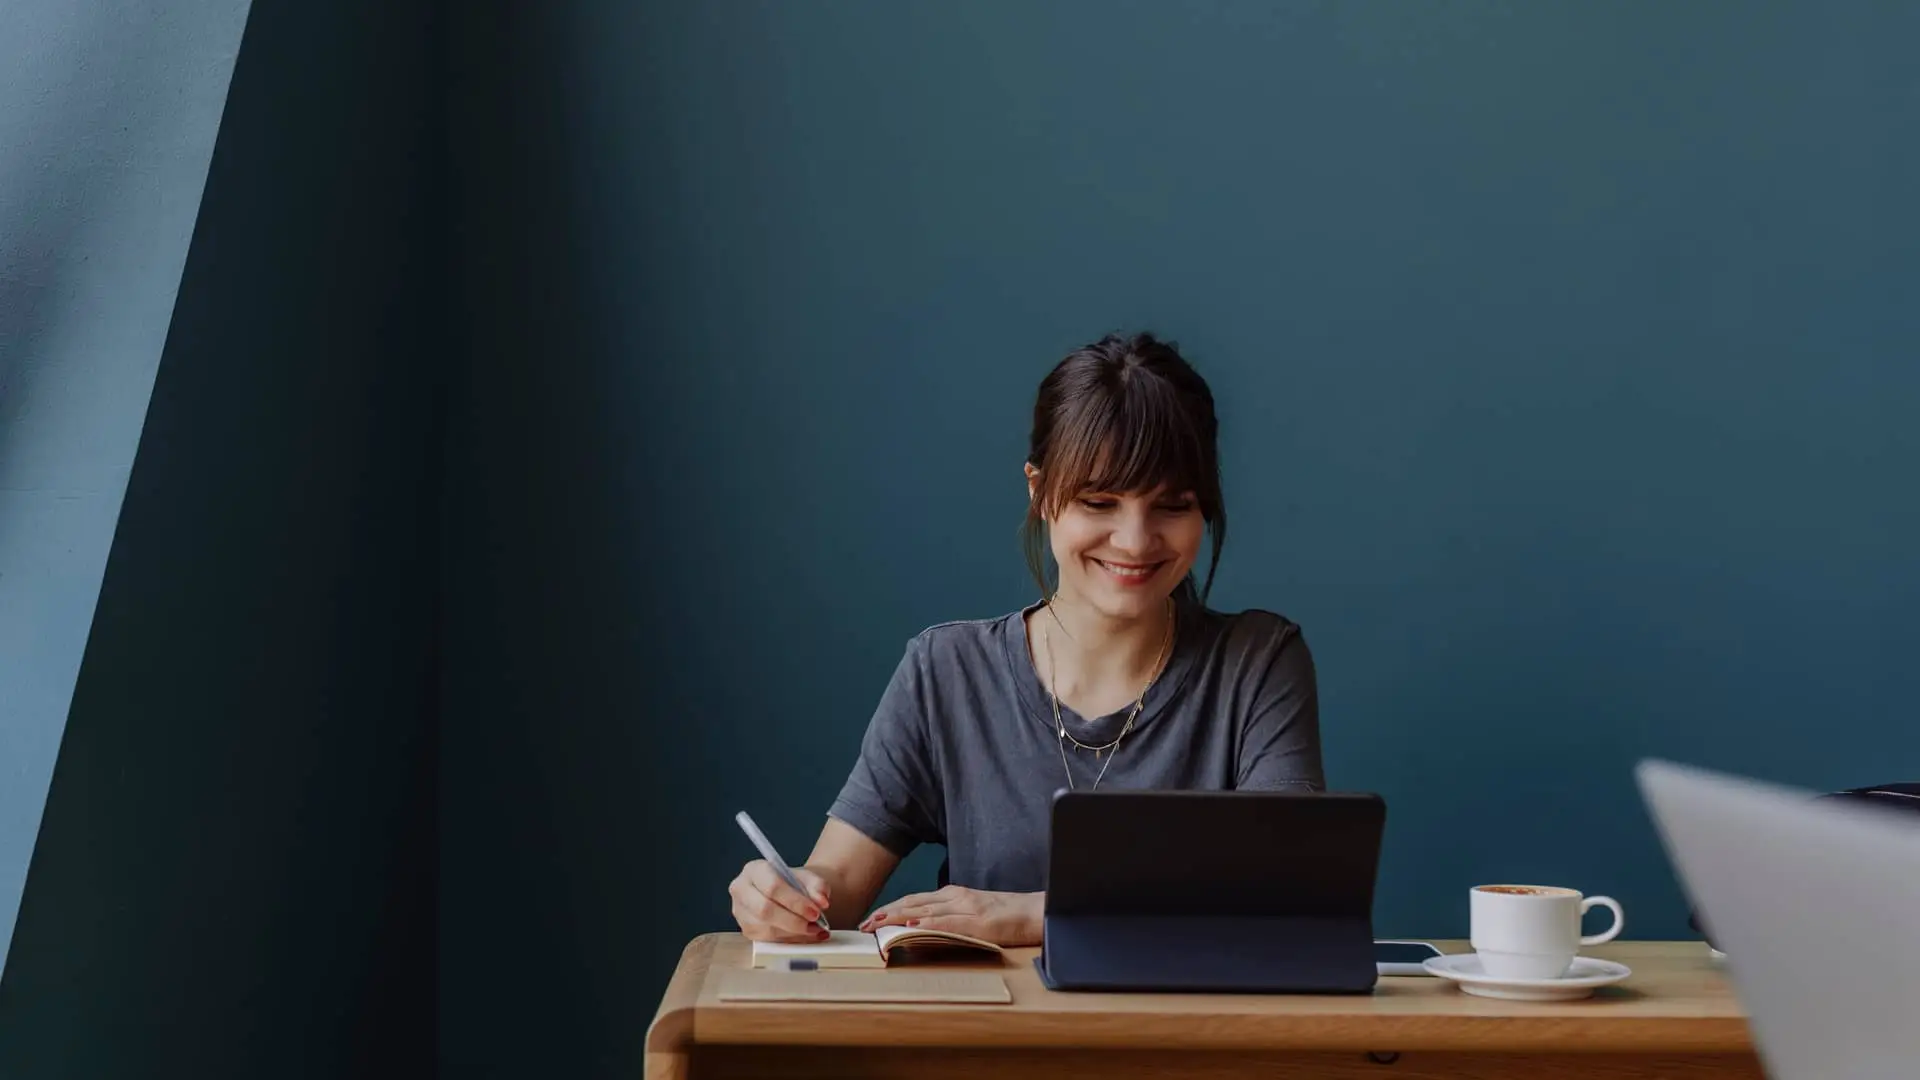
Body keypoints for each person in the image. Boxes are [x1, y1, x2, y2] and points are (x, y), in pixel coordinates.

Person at [727, 332, 1326, 947]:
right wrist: (783, 897)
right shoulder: (946, 672)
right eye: (1099, 501)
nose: (1135, 540)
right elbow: (834, 889)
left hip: (1189, 1041)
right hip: (984, 1037)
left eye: (1172, 506)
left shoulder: (1258, 663)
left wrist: (1033, 916)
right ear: (1039, 493)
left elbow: (1287, 892)